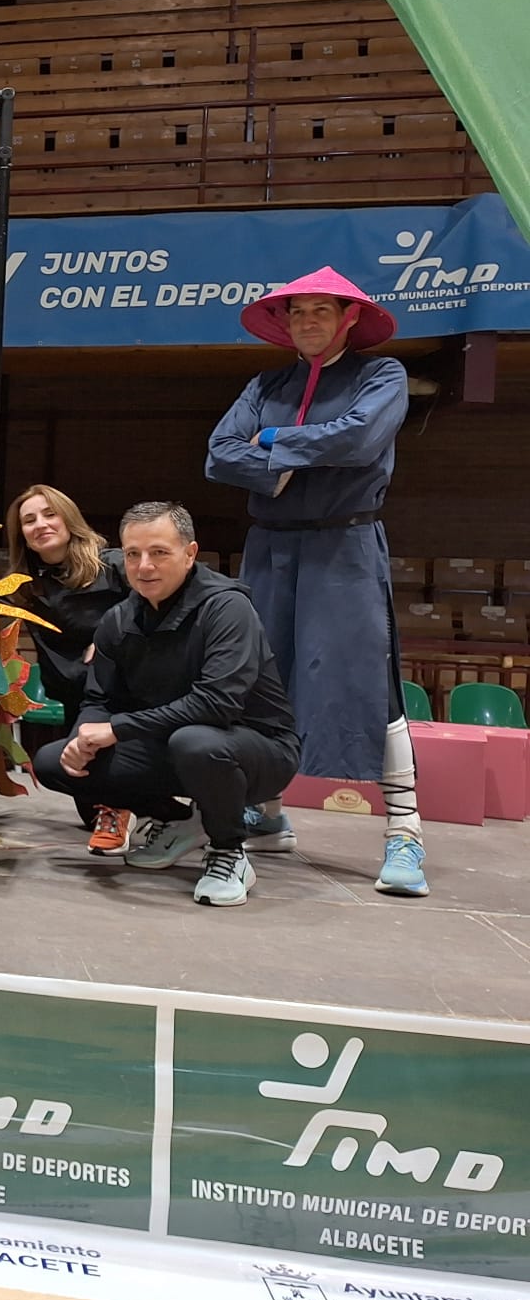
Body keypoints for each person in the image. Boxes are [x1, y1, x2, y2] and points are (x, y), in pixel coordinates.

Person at [205, 267, 427, 897]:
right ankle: (268, 813)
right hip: (270, 545)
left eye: (320, 310)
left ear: (349, 318)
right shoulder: (264, 383)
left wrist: (272, 442)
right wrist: (286, 462)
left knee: (367, 682)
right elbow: (220, 452)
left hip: (345, 544)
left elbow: (359, 439)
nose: (306, 322)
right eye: (297, 311)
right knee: (258, 679)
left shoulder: (381, 376)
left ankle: (405, 832)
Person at [33, 503, 301, 908]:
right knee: (54, 762)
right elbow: (100, 699)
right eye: (133, 554)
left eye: (159, 552)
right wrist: (81, 740)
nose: (144, 566)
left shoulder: (227, 608)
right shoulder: (118, 620)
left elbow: (217, 703)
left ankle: (228, 850)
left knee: (196, 743)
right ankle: (182, 820)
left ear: (190, 554)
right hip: (169, 742)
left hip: (256, 749)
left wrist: (117, 729)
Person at [2, 483, 132, 846]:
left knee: (112, 794)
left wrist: (109, 637)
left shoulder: (114, 565)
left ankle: (148, 807)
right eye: (29, 520)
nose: (40, 524)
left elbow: (158, 604)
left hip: (125, 698)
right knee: (86, 808)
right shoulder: (27, 587)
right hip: (75, 698)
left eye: (50, 514)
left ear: (69, 519)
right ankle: (152, 809)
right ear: (23, 536)